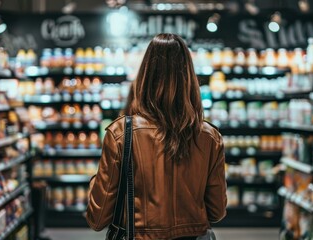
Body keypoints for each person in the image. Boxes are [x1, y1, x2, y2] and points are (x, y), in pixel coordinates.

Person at [86, 33, 227, 240]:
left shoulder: (121, 133)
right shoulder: (210, 137)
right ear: (189, 78)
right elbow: (217, 211)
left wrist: (95, 182)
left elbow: (97, 218)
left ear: (145, 76)